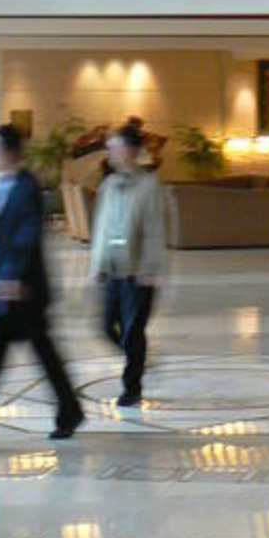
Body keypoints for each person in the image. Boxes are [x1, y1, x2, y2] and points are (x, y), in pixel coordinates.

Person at [0, 123, 84, 449]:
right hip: (2, 284)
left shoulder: (27, 187)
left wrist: (11, 277)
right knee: (36, 353)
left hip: (20, 290)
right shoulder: (0, 185)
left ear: (9, 152)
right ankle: (69, 410)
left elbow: (26, 238)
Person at [89, 120, 170, 408]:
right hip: (112, 269)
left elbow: (154, 229)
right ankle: (139, 359)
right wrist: (97, 265)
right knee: (105, 327)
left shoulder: (149, 185)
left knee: (133, 331)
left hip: (137, 272)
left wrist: (150, 268)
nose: (110, 151)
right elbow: (101, 227)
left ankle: (131, 388)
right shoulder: (109, 184)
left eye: (115, 146)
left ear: (132, 151)